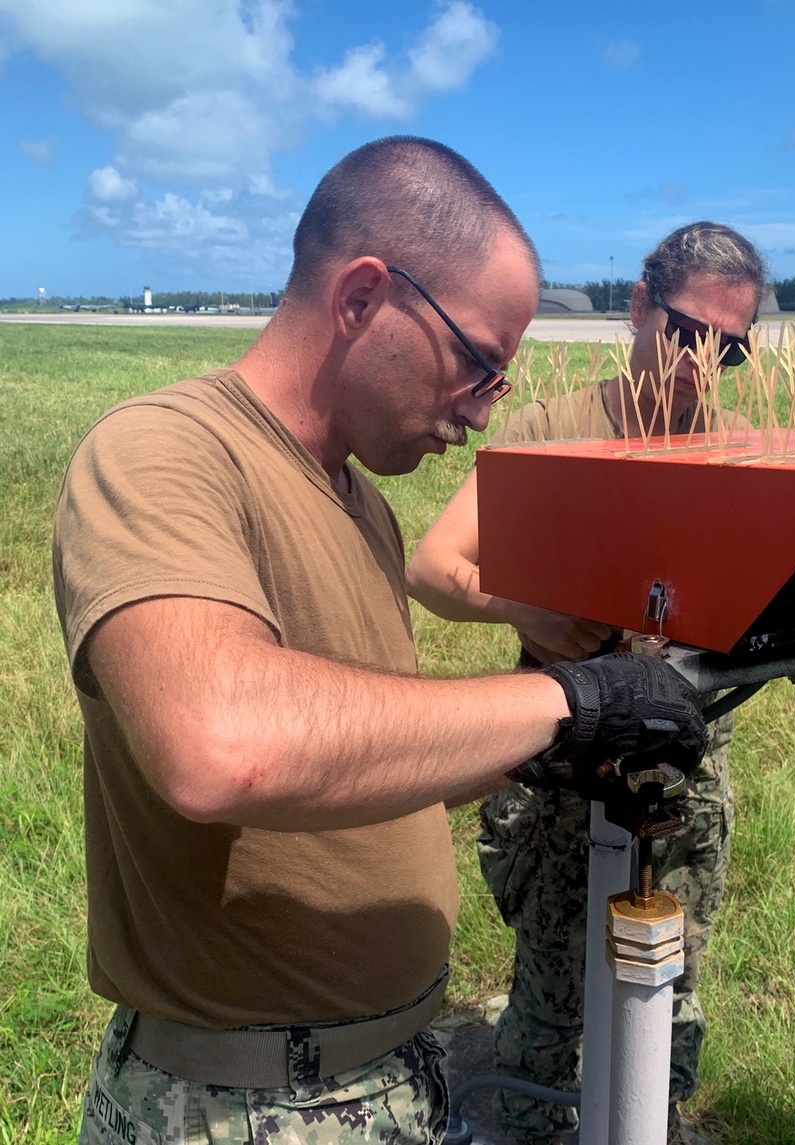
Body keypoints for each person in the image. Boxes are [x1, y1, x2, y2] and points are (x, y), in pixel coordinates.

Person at [53, 136, 709, 1145]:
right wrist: (568, 700)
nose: (485, 408)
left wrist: (548, 746)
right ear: (362, 297)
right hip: (243, 1103)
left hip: (381, 1077)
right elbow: (222, 744)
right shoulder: (165, 451)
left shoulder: (361, 500)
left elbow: (358, 755)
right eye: (478, 362)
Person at [406, 221, 767, 1145]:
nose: (699, 364)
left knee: (670, 986)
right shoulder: (555, 430)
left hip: (682, 771)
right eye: (686, 332)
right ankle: (529, 1121)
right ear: (640, 307)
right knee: (554, 995)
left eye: (728, 348)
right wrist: (528, 612)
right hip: (569, 765)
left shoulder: (738, 455)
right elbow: (436, 565)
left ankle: (648, 1113)